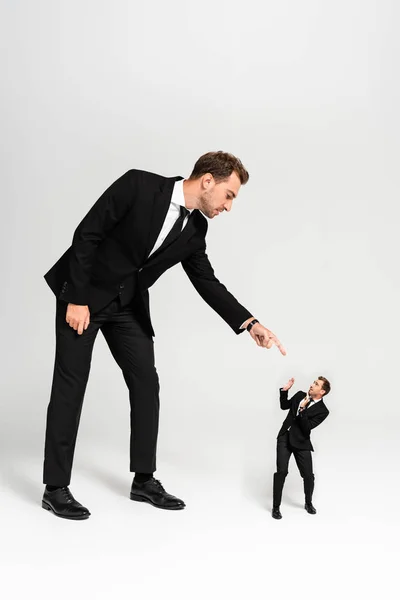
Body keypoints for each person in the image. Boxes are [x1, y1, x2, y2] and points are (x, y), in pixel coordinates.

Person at [42, 151, 286, 520]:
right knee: (70, 386)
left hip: (127, 306)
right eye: (229, 195)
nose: (228, 206)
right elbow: (87, 234)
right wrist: (76, 298)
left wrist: (250, 324)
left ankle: (144, 480)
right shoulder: (139, 184)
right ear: (208, 181)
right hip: (84, 297)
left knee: (146, 384)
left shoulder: (195, 230)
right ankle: (55, 488)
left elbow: (207, 282)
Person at [272, 376, 330, 519]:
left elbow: (307, 428)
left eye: (316, 384)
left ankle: (308, 503)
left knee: (308, 476)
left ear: (322, 391)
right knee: (281, 472)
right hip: (284, 438)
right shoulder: (299, 395)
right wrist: (284, 391)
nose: (312, 385)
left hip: (301, 441)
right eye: (313, 382)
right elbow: (284, 405)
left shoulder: (323, 411)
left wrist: (303, 408)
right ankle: (276, 507)